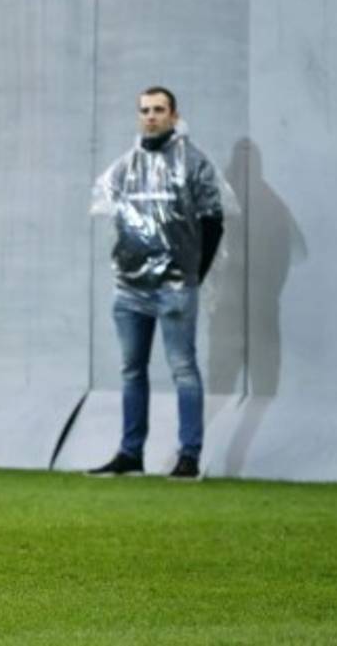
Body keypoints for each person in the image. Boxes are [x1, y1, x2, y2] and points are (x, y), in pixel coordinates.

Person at [88, 86, 224, 481]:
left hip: (175, 287)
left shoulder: (192, 162)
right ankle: (130, 453)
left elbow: (213, 220)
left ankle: (189, 456)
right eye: (145, 110)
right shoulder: (126, 165)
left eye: (159, 109)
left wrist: (194, 273)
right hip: (130, 289)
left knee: (183, 367)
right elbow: (106, 208)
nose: (151, 116)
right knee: (131, 369)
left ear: (173, 113)